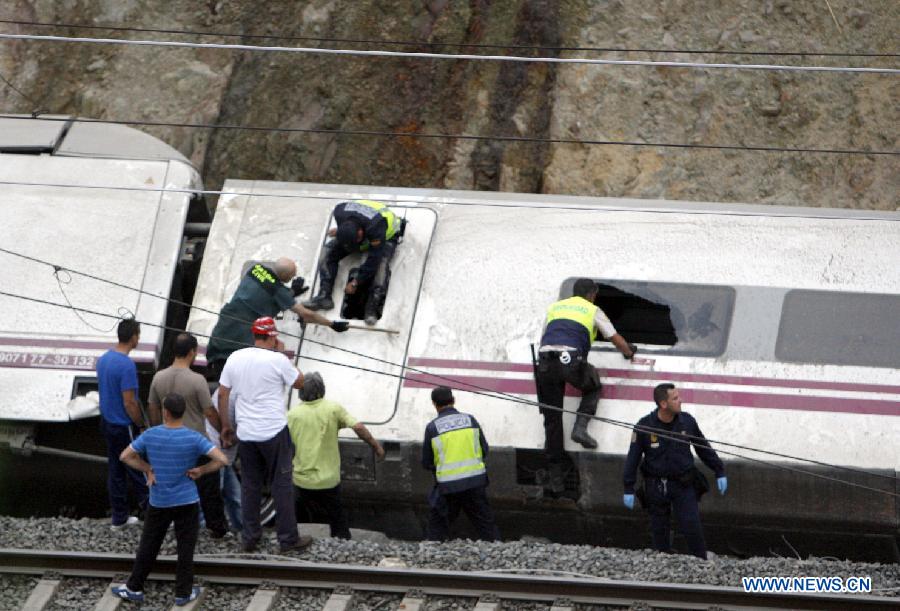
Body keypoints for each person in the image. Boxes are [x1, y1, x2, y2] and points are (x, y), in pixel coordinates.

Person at [112, 393, 228, 606]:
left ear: (165, 412)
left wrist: (148, 469)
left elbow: (125, 456)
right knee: (185, 548)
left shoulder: (151, 435)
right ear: (182, 412)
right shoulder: (193, 437)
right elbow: (222, 459)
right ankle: (183, 593)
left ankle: (134, 587)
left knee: (149, 545)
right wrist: (201, 470)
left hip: (160, 501)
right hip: (187, 501)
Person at [535, 278, 636, 493]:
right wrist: (628, 352)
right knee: (592, 385)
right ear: (592, 294)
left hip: (544, 362)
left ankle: (556, 478)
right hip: (569, 360)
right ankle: (580, 428)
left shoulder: (555, 307)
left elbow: (545, 336)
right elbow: (614, 337)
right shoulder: (592, 309)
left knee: (552, 418)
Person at [217, 316, 308, 553]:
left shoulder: (236, 357)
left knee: (250, 486)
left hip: (246, 434)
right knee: (282, 485)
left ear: (254, 335)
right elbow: (301, 383)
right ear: (272, 336)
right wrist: (285, 354)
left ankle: (250, 537)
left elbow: (223, 394)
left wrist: (226, 426)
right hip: (274, 432)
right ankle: (288, 539)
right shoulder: (278, 360)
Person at [622, 383, 727, 559]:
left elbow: (703, 448)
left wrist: (719, 470)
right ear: (663, 404)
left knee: (691, 523)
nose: (681, 401)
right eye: (675, 398)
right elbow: (633, 458)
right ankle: (664, 559)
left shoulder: (687, 421)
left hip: (683, 483)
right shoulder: (644, 426)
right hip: (655, 485)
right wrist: (628, 487)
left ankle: (700, 558)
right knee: (659, 526)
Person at [205, 257, 349, 379]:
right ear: (285, 275)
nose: (292, 278)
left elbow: (262, 287)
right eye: (291, 276)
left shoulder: (255, 269)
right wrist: (331, 324)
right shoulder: (279, 291)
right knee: (233, 367)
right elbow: (306, 314)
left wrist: (290, 292)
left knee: (221, 354)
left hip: (227, 321)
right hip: (242, 333)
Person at [148, 332, 228, 538]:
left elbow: (153, 408)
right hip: (195, 442)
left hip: (169, 440)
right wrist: (223, 431)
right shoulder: (197, 380)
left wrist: (159, 432)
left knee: (172, 485)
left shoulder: (159, 378)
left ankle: (171, 526)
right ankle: (217, 528)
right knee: (208, 487)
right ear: (192, 352)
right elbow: (210, 412)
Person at [286, 372, 385, 539]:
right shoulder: (333, 409)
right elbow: (358, 427)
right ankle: (341, 541)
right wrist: (376, 446)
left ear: (301, 392)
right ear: (322, 389)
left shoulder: (292, 415)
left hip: (301, 480)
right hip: (328, 480)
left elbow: (284, 444)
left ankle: (292, 539)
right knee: (337, 517)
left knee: (295, 516)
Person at [303, 200, 402, 325]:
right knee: (328, 252)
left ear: (360, 233)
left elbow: (373, 261)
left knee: (381, 266)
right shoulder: (339, 212)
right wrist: (340, 232)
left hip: (386, 236)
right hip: (358, 231)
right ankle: (324, 296)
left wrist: (356, 282)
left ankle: (372, 307)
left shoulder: (376, 226)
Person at [422, 387, 499, 542]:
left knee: (438, 524)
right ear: (454, 400)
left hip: (448, 487)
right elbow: (484, 449)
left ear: (434, 404)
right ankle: (495, 546)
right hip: (475, 482)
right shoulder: (470, 420)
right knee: (485, 522)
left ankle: (432, 551)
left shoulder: (433, 428)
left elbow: (427, 461)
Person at [96, 317, 148, 528]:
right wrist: (141, 424)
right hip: (123, 425)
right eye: (138, 334)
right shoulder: (126, 365)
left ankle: (119, 518)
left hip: (107, 422)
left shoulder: (104, 359)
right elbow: (130, 402)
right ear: (133, 337)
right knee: (138, 469)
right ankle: (153, 514)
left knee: (116, 470)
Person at [207, 389, 242, 534]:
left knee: (234, 496)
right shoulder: (234, 393)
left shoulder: (228, 391)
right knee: (216, 494)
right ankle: (208, 530)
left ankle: (240, 529)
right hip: (218, 451)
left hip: (224, 454)